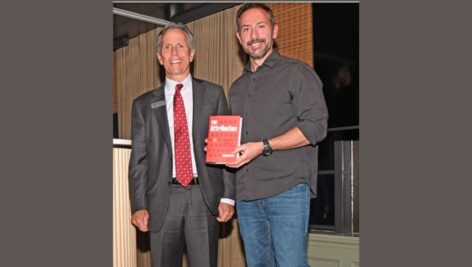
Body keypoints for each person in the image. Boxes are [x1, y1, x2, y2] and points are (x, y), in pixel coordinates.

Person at [227, 3, 329, 267]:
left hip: (287, 190)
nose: (254, 35)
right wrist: (221, 146)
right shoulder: (236, 88)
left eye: (261, 26)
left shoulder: (298, 73)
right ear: (239, 38)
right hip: (247, 196)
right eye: (246, 29)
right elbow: (239, 140)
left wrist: (262, 146)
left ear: (274, 31)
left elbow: (315, 127)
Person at [128, 22, 235, 267]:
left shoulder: (214, 94)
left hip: (203, 197)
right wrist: (139, 205)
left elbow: (227, 148)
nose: (174, 53)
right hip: (161, 203)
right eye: (167, 47)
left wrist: (228, 198)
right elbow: (139, 161)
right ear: (159, 56)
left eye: (180, 46)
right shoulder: (143, 105)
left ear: (192, 53)